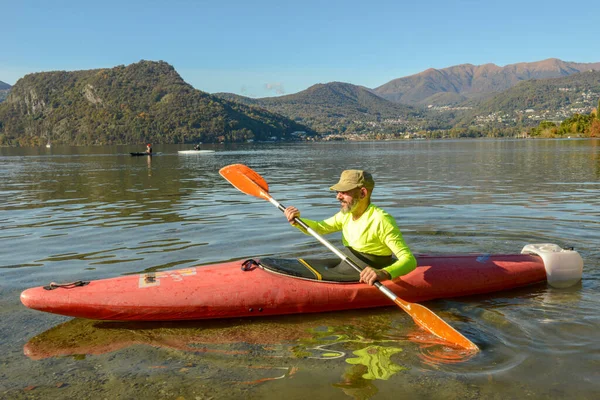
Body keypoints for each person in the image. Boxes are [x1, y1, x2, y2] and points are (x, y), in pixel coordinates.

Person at [284, 170, 416, 286]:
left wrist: (384, 273)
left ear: (362, 193)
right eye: (337, 192)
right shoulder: (346, 215)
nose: (338, 197)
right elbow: (319, 228)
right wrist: (296, 220)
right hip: (347, 266)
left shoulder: (381, 220)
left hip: (366, 273)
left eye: (344, 192)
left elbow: (409, 260)